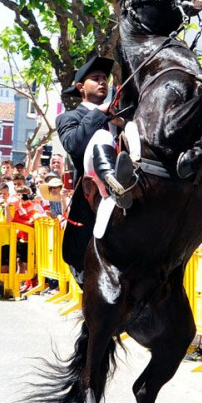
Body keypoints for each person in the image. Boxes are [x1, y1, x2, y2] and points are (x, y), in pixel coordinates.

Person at [56, 56, 138, 281]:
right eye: (96, 78)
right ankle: (111, 183)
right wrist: (100, 113)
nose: (103, 82)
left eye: (105, 78)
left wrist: (126, 125)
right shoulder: (68, 117)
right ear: (81, 87)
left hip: (125, 204)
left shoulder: (119, 119)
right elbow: (74, 145)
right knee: (101, 135)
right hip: (90, 200)